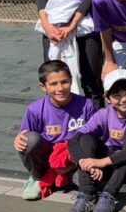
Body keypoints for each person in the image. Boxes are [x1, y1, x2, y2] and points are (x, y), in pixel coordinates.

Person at [66, 69, 126, 212]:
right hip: (110, 169)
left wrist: (103, 162)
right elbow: (73, 141)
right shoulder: (104, 114)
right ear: (107, 98)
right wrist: (86, 163)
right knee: (86, 138)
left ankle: (109, 195)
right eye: (116, 95)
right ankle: (87, 193)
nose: (124, 99)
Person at [14, 59, 97, 201]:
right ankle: (38, 176)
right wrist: (19, 141)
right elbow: (24, 138)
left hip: (75, 160)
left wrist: (70, 165)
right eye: (53, 84)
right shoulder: (35, 109)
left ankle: (62, 176)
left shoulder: (87, 105)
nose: (60, 88)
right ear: (43, 87)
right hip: (48, 159)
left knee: (94, 183)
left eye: (64, 82)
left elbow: (96, 139)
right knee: (30, 140)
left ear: (71, 81)